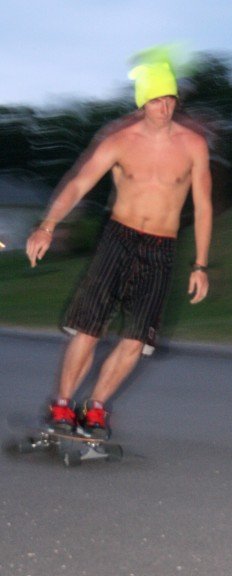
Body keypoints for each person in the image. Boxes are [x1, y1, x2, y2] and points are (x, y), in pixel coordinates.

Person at [25, 57, 212, 438]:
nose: (166, 107)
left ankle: (94, 409)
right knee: (89, 328)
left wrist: (201, 265)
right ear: (142, 102)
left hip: (162, 247)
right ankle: (62, 404)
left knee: (136, 337)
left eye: (171, 98)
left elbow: (204, 204)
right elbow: (79, 184)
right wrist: (47, 226)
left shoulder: (193, 145)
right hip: (118, 238)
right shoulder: (119, 142)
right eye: (157, 99)